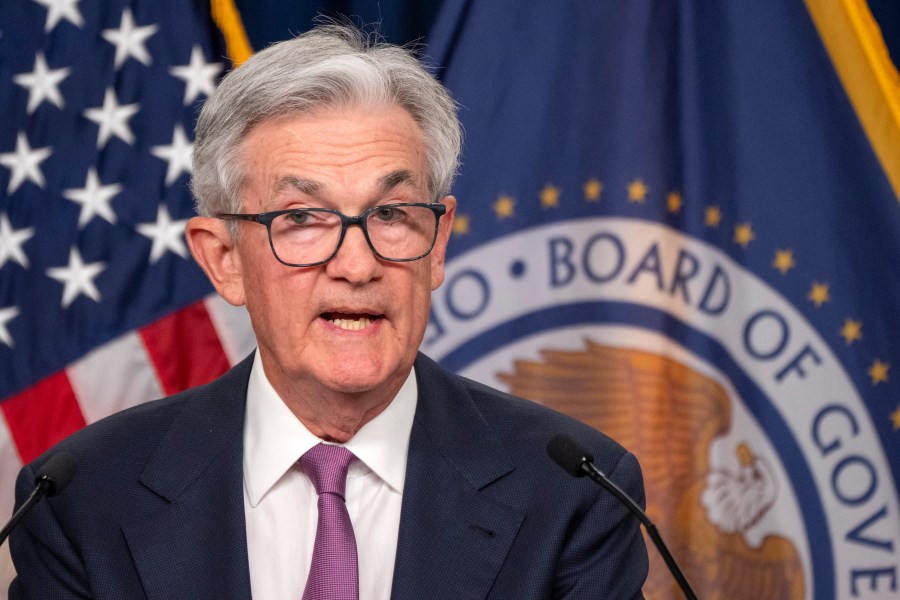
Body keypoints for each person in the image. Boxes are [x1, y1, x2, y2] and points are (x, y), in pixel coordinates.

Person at [9, 23, 648, 599]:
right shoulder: (81, 500)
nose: (356, 264)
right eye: (304, 220)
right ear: (223, 258)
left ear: (438, 244)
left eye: (391, 215)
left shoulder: (574, 491)